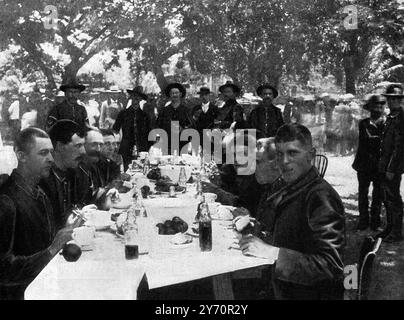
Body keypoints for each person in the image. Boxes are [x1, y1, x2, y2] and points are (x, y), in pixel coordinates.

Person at [238, 123, 345, 299]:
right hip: (277, 285)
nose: (284, 161)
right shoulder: (292, 187)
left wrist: (272, 252)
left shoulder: (321, 197)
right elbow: (288, 237)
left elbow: (331, 268)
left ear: (311, 155)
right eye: (280, 154)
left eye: (293, 153)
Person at [0, 128, 82, 299]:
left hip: (46, 286)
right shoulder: (6, 201)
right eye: (43, 153)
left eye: (51, 153)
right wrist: (51, 250)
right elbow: (3, 270)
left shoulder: (40, 193)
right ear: (21, 156)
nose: (51, 159)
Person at [40, 120, 113, 229]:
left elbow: (86, 201)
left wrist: (104, 198)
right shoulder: (42, 180)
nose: (83, 151)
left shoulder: (77, 172)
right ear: (60, 146)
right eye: (78, 145)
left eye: (83, 145)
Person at [352, 94, 385, 231]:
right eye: (375, 106)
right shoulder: (363, 123)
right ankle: (363, 221)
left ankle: (375, 221)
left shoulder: (386, 123)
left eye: (380, 106)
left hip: (379, 164)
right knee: (363, 193)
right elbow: (367, 140)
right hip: (364, 164)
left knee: (378, 194)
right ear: (370, 108)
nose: (377, 108)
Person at [377, 84, 404, 243]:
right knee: (386, 198)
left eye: (396, 99)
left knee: (394, 199)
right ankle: (390, 227)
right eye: (390, 99)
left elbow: (399, 147)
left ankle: (396, 232)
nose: (392, 101)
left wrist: (391, 168)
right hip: (384, 164)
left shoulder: (401, 118)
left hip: (392, 167)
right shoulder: (391, 116)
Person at [113, 87, 151, 171]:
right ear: (131, 97)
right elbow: (115, 130)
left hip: (142, 148)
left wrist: (148, 149)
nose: (136, 98)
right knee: (128, 171)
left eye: (139, 96)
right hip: (126, 148)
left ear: (141, 99)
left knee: (142, 170)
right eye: (134, 96)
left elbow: (150, 133)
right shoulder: (123, 113)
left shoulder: (145, 115)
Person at [157, 83, 194, 155]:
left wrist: (183, 129)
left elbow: (192, 126)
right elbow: (158, 126)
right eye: (172, 93)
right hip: (167, 145)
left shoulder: (186, 110)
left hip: (183, 145)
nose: (174, 95)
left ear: (180, 94)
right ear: (169, 95)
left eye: (176, 93)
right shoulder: (164, 111)